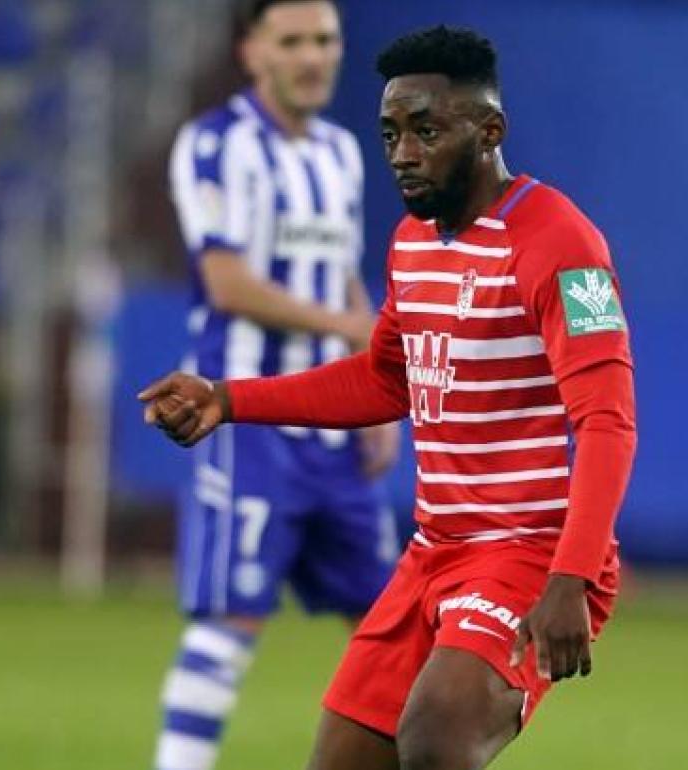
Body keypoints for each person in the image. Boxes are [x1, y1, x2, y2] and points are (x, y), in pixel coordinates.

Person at [143, 25, 638, 770]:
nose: (403, 153)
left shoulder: (559, 243)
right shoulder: (412, 242)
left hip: (529, 555)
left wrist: (572, 578)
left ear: (489, 131)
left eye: (426, 131)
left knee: (436, 739)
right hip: (433, 554)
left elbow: (607, 421)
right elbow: (384, 379)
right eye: (391, 134)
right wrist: (227, 398)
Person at [152, 2, 401, 769]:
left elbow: (345, 276)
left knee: (395, 626)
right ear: (252, 51)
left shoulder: (341, 153)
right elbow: (226, 282)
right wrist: (347, 327)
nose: (313, 56)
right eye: (292, 41)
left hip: (334, 431)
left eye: (325, 40)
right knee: (229, 626)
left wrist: (378, 394)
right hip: (247, 426)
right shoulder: (216, 144)